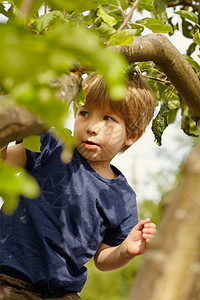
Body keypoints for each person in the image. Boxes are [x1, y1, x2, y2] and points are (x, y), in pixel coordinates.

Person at [0, 73, 157, 300]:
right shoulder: (52, 146)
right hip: (9, 281)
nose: (92, 126)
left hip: (62, 294)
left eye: (108, 118)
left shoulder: (122, 197)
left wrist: (125, 251)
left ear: (132, 135)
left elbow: (102, 259)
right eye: (84, 113)